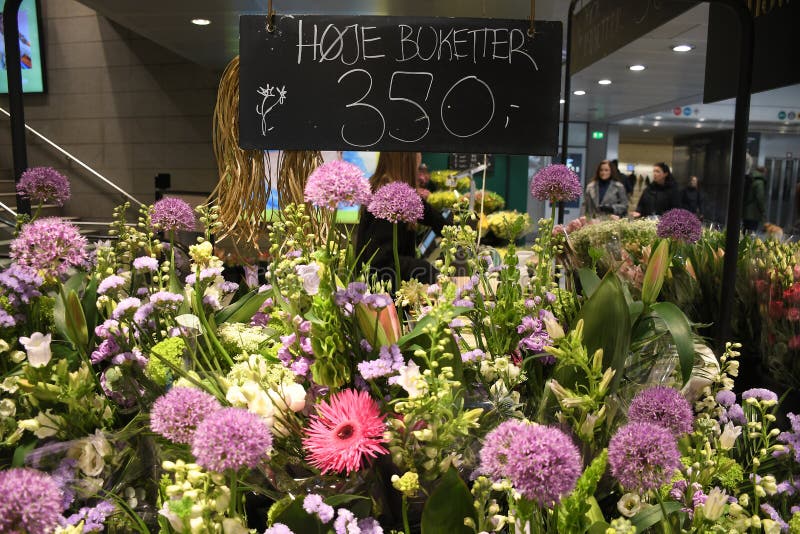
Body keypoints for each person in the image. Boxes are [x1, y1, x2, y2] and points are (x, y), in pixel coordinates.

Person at [356, 152, 449, 286]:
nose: (420, 155)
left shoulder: (396, 191)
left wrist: (454, 230)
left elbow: (432, 217)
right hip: (382, 296)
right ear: (406, 157)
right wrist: (428, 271)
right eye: (417, 151)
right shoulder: (388, 199)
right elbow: (381, 263)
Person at [742, 166, 767, 232]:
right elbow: (760, 197)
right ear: (763, 172)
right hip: (754, 213)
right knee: (751, 233)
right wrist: (763, 210)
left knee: (745, 231)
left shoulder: (750, 178)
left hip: (745, 211)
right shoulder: (759, 182)